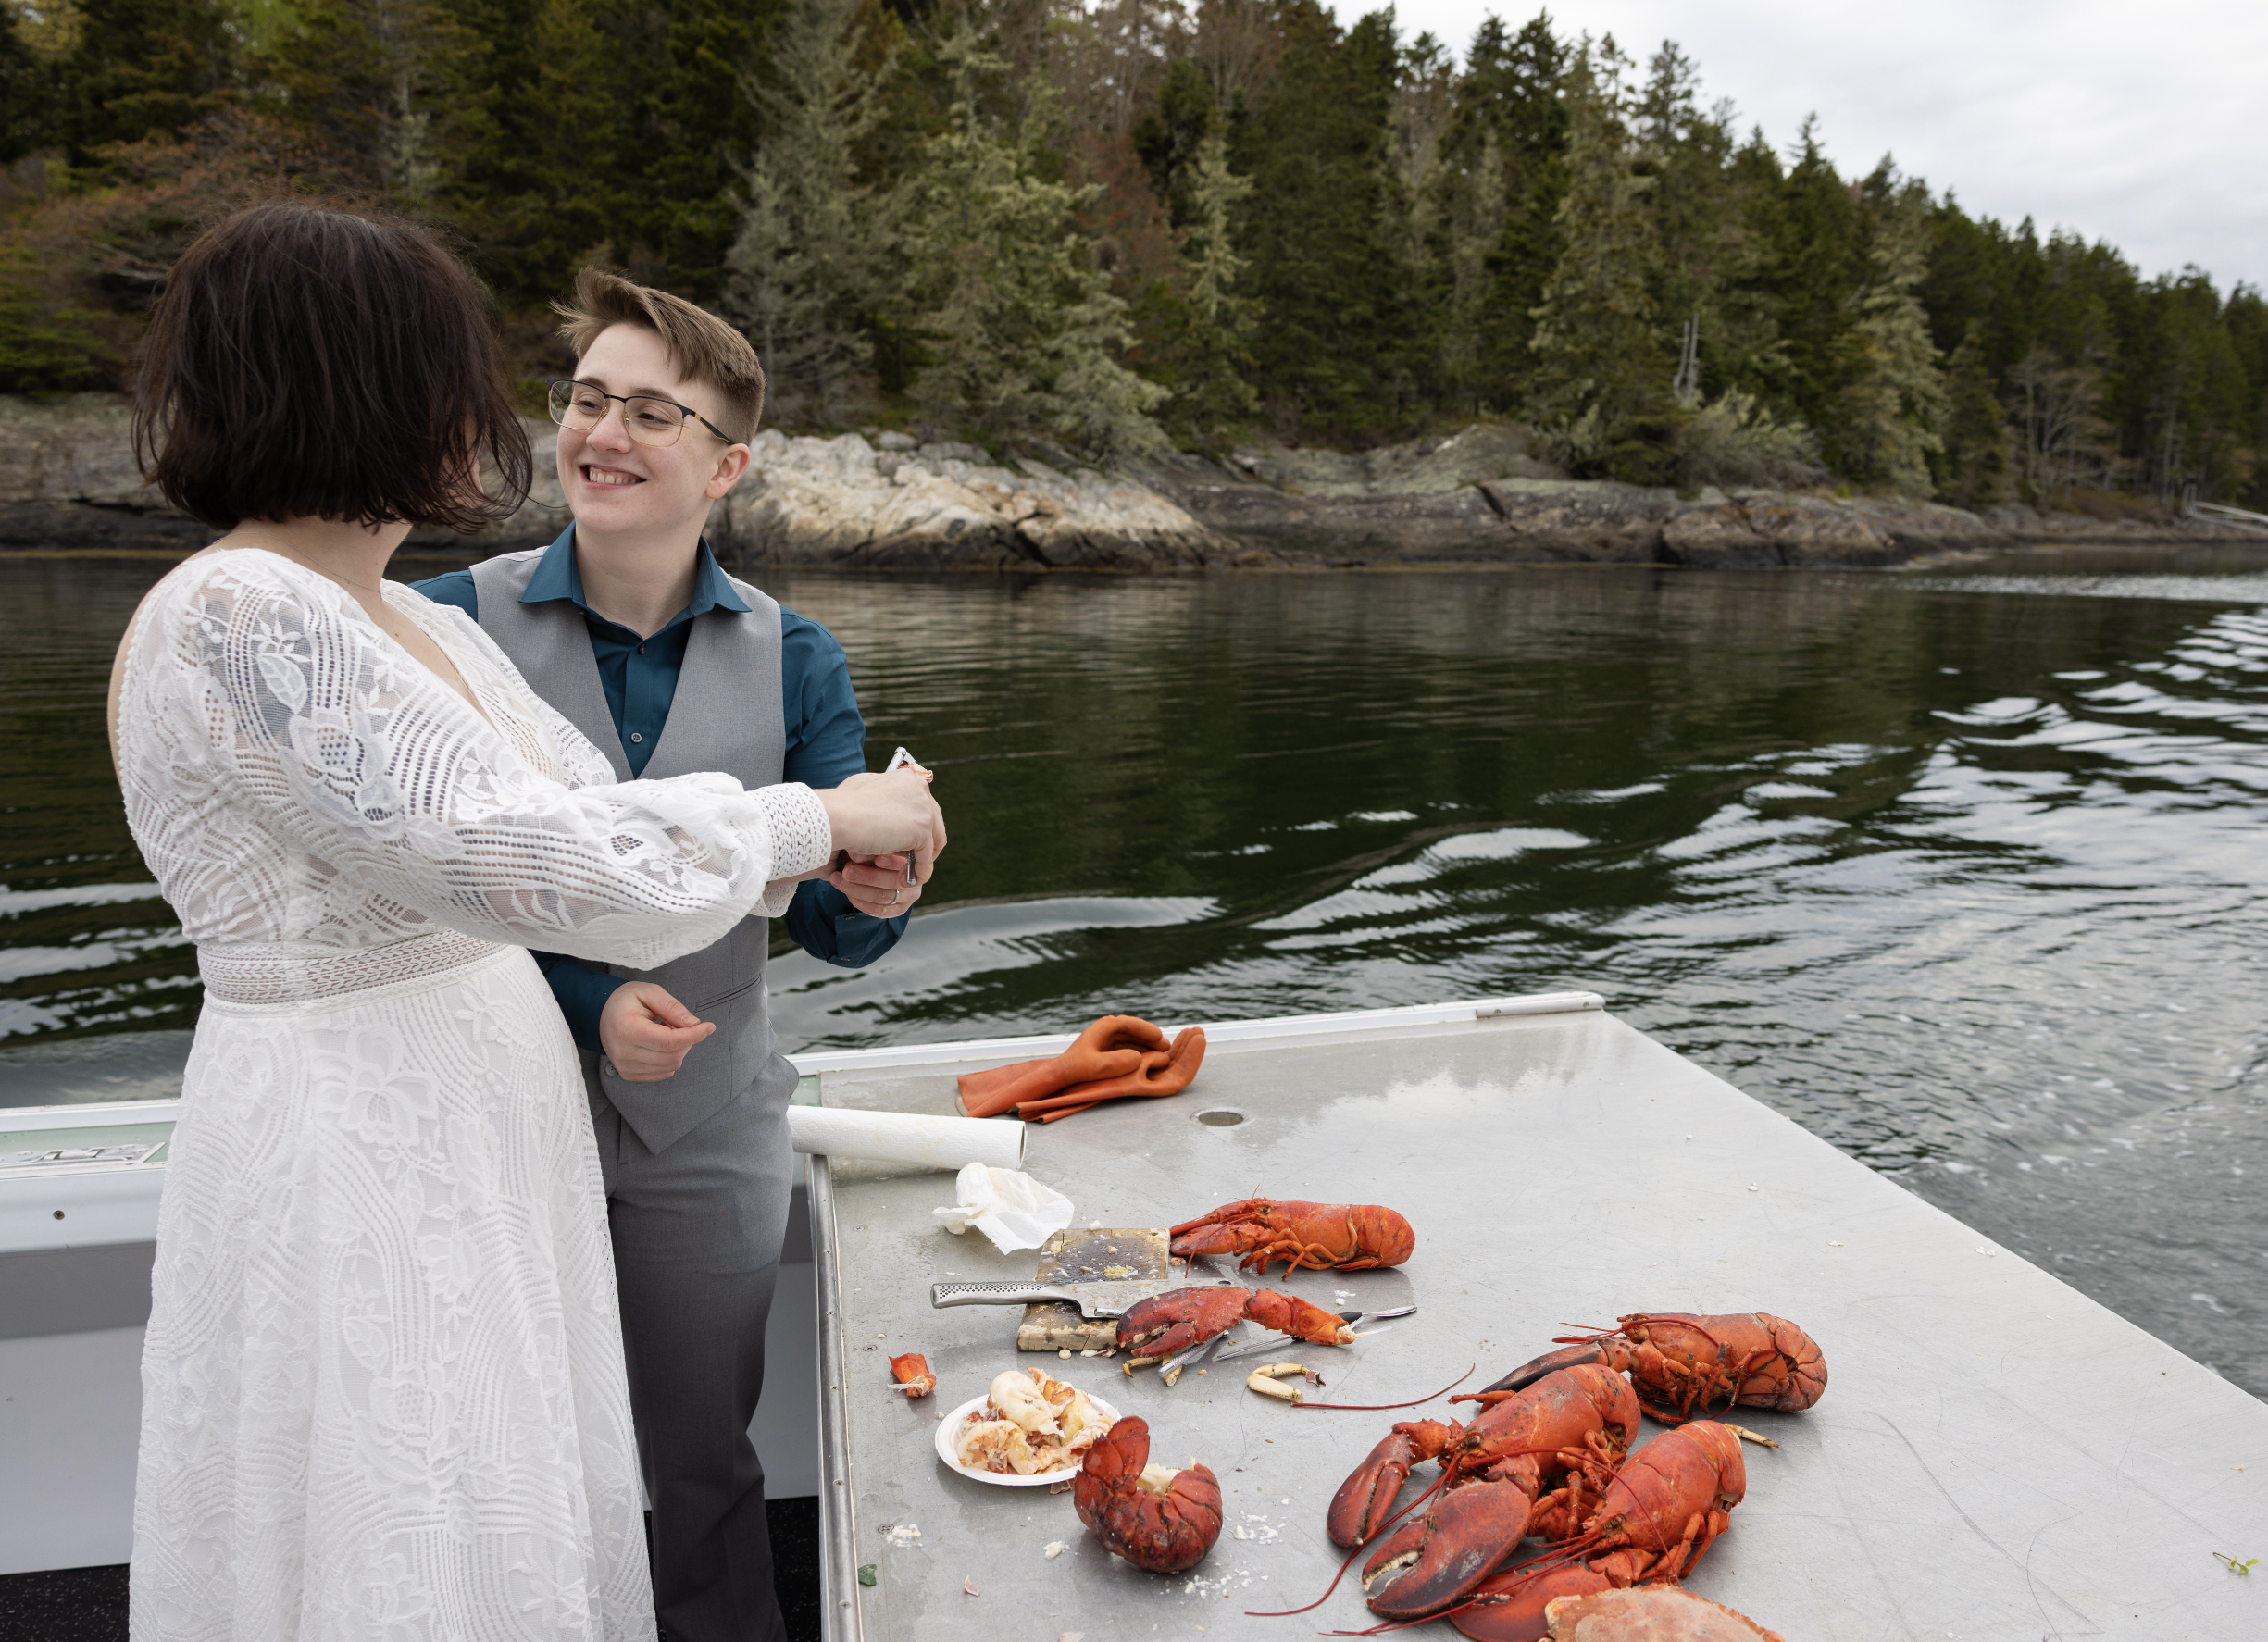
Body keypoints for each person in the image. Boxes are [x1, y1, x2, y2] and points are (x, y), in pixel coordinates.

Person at [106, 204, 943, 1642]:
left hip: (489, 1154)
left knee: (529, 1493)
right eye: (463, 373)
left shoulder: (408, 623)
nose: (498, 416)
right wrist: (817, 823)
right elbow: (532, 859)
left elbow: (591, 809)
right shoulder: (246, 616)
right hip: (366, 1156)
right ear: (361, 385)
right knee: (409, 1513)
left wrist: (820, 867)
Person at [412, 271, 921, 1642]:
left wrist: (876, 887)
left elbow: (822, 915)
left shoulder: (798, 655)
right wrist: (583, 998)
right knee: (499, 1450)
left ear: (727, 465)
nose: (602, 432)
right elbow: (423, 890)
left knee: (705, 1457)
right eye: (585, 399)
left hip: (713, 1123)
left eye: (650, 409)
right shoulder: (442, 625)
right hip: (498, 1111)